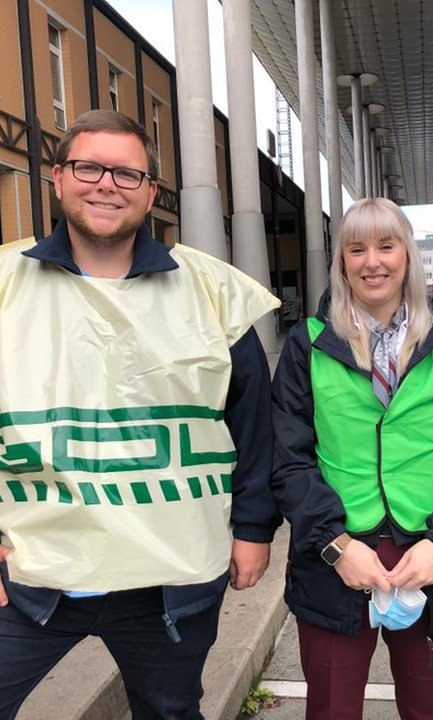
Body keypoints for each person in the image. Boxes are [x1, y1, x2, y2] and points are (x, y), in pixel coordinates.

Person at [0, 110, 281, 720]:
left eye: (128, 174)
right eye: (89, 167)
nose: (107, 184)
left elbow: (255, 422)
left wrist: (254, 529)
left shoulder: (207, 288)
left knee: (170, 713)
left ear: (152, 192)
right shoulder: (4, 283)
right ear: (58, 177)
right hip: (33, 572)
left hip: (171, 578)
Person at [271, 197, 433, 720]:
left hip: (429, 560)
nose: (373, 261)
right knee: (331, 710)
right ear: (342, 262)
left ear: (408, 257)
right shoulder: (309, 346)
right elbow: (288, 457)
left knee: (429, 709)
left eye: (386, 246)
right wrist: (335, 546)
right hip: (336, 559)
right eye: (357, 248)